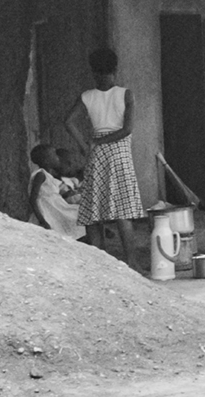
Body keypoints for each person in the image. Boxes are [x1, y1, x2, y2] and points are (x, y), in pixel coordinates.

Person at [66, 48, 145, 266]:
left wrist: (86, 145)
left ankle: (100, 265)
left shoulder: (87, 97)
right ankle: (132, 263)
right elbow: (127, 129)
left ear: (93, 71)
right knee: (123, 211)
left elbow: (69, 121)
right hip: (119, 154)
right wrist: (100, 142)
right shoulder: (126, 94)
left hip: (96, 155)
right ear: (115, 69)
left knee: (93, 212)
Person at [28, 143, 84, 239]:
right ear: (46, 161)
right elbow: (33, 199)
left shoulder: (50, 176)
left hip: (56, 207)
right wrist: (42, 220)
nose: (57, 157)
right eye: (54, 155)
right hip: (47, 209)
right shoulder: (40, 175)